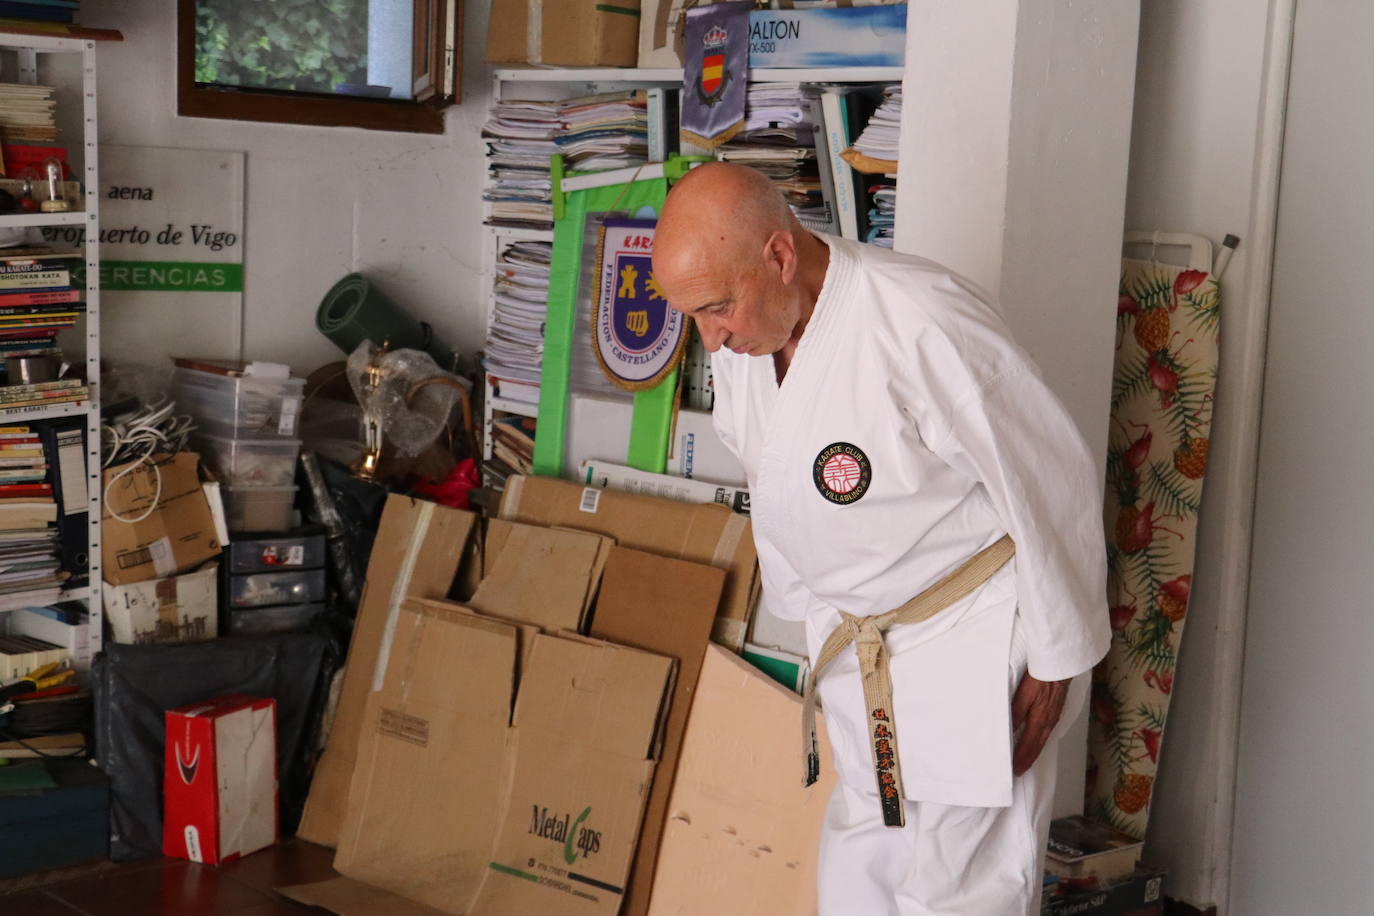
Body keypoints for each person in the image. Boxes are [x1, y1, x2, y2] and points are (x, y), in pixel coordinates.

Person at [652, 163, 1109, 915]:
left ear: (778, 256)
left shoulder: (918, 319)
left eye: (717, 308)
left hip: (969, 640)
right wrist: (812, 611)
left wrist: (1056, 657)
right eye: (695, 316)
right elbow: (782, 488)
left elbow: (1047, 475)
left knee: (963, 891)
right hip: (863, 650)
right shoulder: (746, 340)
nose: (710, 336)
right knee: (860, 871)